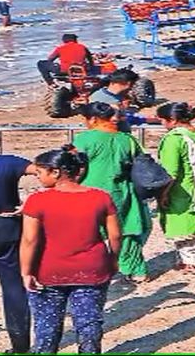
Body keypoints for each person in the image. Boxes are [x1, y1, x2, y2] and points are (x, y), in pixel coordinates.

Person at [20, 146, 120, 355]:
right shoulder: (100, 197)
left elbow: (30, 240)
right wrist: (113, 259)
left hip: (48, 271)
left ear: (55, 172)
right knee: (89, 323)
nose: (37, 178)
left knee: (46, 327)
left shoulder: (38, 200)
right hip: (92, 268)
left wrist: (26, 271)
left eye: (40, 173)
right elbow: (115, 236)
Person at [72, 102, 150, 283]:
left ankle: (92, 270)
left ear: (93, 119)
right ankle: (136, 270)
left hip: (90, 192)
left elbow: (75, 167)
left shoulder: (84, 140)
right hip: (123, 191)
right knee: (128, 231)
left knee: (90, 234)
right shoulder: (128, 140)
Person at [155, 102, 195, 275]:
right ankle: (193, 257)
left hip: (182, 190)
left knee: (183, 224)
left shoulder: (174, 139)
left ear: (172, 120)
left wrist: (163, 194)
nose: (162, 124)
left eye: (162, 120)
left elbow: (170, 173)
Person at [0, 135, 35, 354]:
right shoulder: (9, 162)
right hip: (7, 227)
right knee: (13, 288)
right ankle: (20, 345)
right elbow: (47, 170)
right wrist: (35, 199)